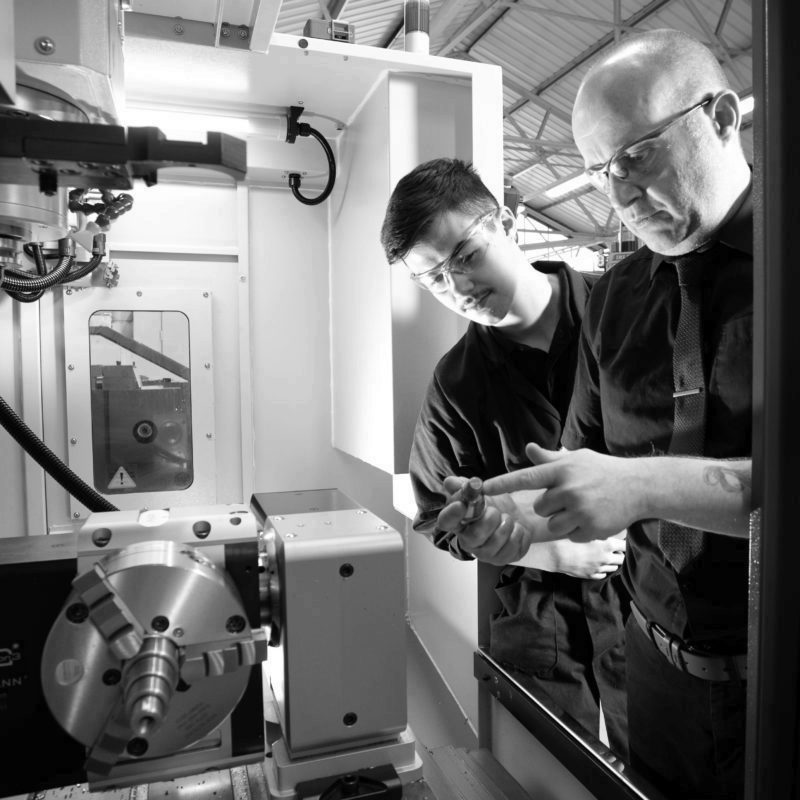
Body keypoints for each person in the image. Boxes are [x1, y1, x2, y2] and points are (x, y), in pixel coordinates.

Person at [436, 29, 753, 800]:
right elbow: (584, 471)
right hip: (653, 681)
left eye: (637, 155)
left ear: (719, 117)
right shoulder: (615, 300)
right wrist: (519, 527)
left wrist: (641, 488)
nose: (617, 196)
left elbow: (626, 485)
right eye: (598, 173)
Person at [379, 158, 629, 757]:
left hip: (647, 599)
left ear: (510, 224)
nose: (459, 288)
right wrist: (551, 550)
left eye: (465, 256)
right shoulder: (458, 383)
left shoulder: (621, 315)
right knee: (547, 769)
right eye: (435, 279)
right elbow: (437, 513)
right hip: (540, 609)